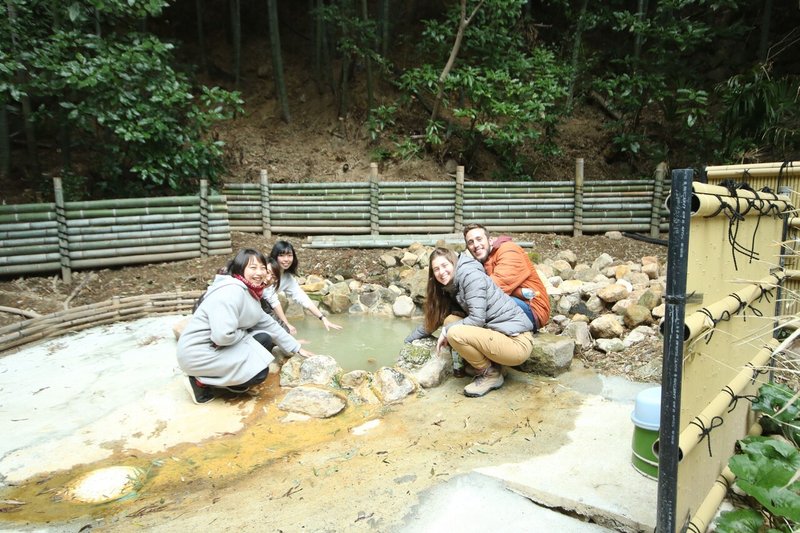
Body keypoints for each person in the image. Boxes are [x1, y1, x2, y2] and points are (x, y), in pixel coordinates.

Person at [176, 248, 314, 404]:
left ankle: (231, 383)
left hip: (215, 347)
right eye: (253, 268)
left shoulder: (250, 293)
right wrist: (245, 334)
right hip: (198, 354)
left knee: (264, 339)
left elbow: (268, 324)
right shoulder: (230, 292)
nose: (260, 273)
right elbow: (222, 337)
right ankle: (199, 381)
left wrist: (295, 347)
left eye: (262, 268)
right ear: (240, 270)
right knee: (259, 372)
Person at [404, 247, 535, 397]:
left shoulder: (471, 277)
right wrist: (408, 341)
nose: (441, 272)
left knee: (454, 332)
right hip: (499, 334)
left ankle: (490, 374)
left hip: (516, 342)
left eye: (445, 266)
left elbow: (477, 319)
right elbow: (433, 321)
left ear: (454, 263)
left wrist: (447, 332)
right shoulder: (451, 285)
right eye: (436, 269)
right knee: (450, 320)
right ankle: (496, 366)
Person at [463, 223, 550, 332]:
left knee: (480, 306)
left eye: (479, 239)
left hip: (532, 309)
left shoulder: (509, 250)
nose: (475, 245)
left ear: (490, 241)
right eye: (470, 242)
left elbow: (495, 288)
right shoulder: (483, 261)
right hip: (513, 303)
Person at [268, 240, 342, 334]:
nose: (286, 259)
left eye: (289, 255)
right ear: (275, 256)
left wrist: (323, 318)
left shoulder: (287, 278)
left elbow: (302, 298)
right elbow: (272, 300)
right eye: (282, 255)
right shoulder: (267, 271)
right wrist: (286, 324)